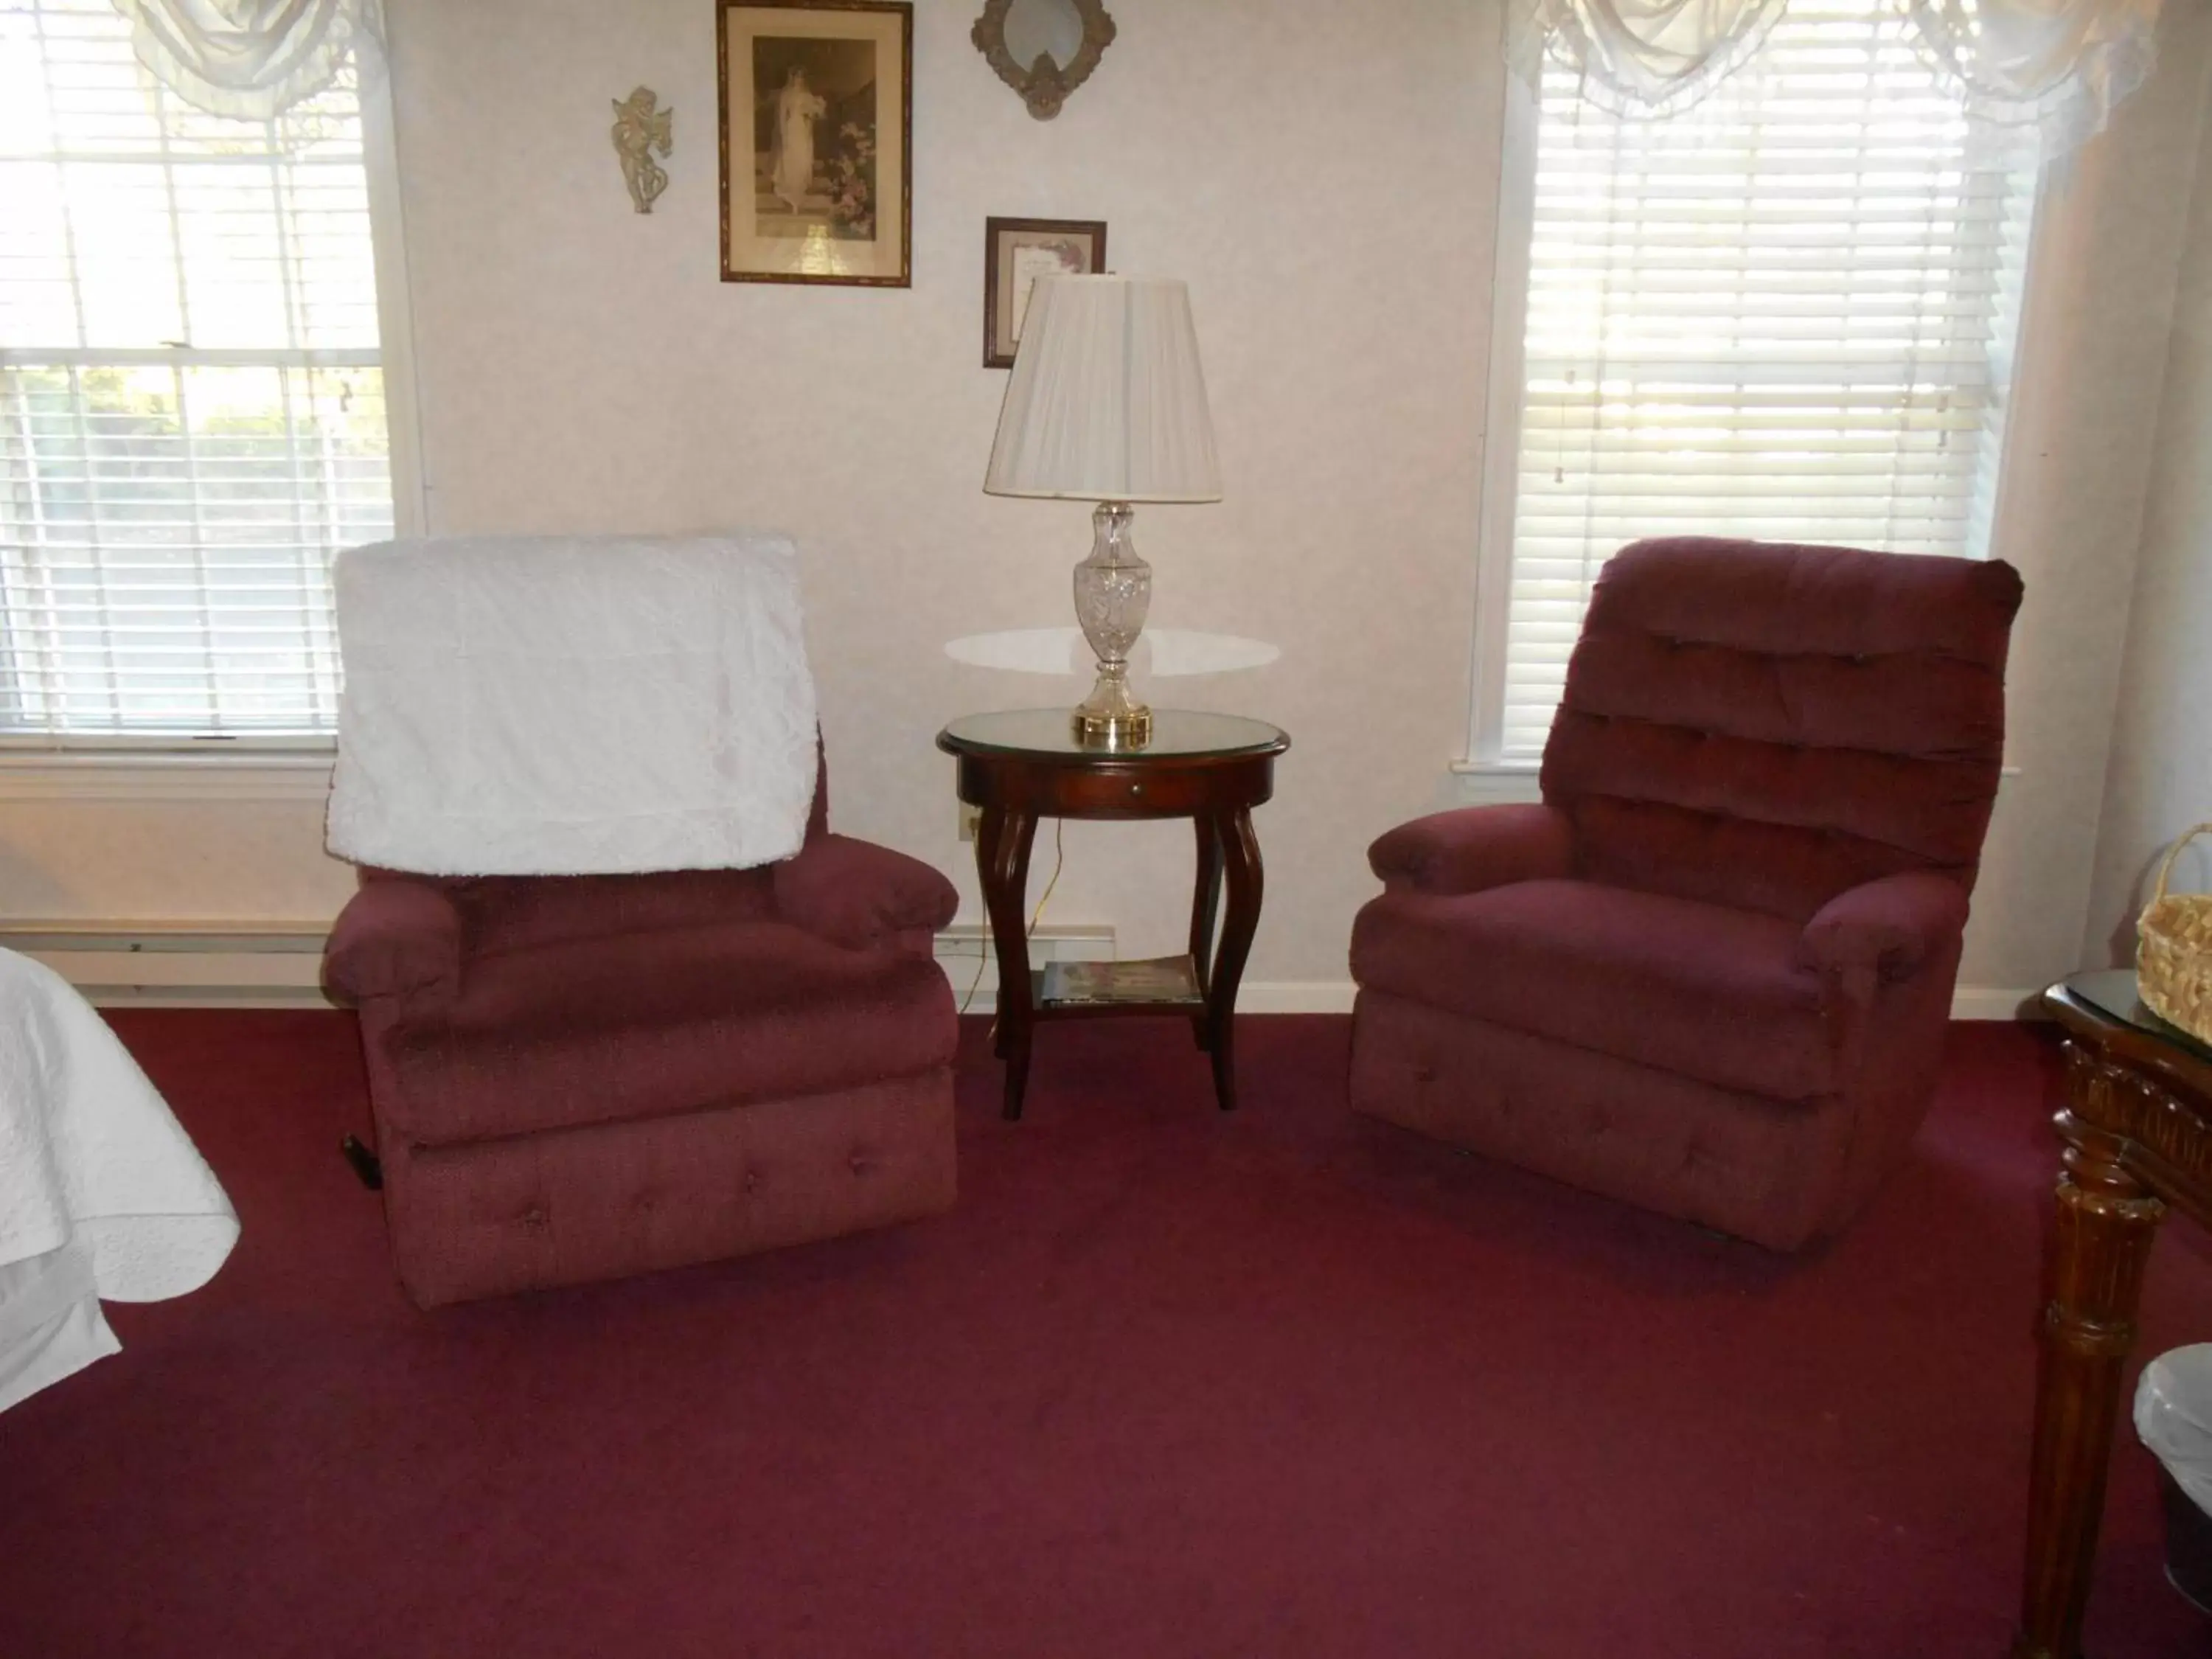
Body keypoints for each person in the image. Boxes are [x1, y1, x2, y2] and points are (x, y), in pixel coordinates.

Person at [766, 64, 827, 215]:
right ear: (792, 78)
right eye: (797, 77)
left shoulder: (808, 95)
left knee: (803, 160)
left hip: (804, 130)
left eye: (802, 77)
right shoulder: (787, 95)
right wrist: (784, 135)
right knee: (790, 160)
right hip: (791, 128)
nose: (799, 80)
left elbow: (815, 114)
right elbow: (781, 117)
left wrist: (814, 112)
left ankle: (799, 197)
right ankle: (790, 197)